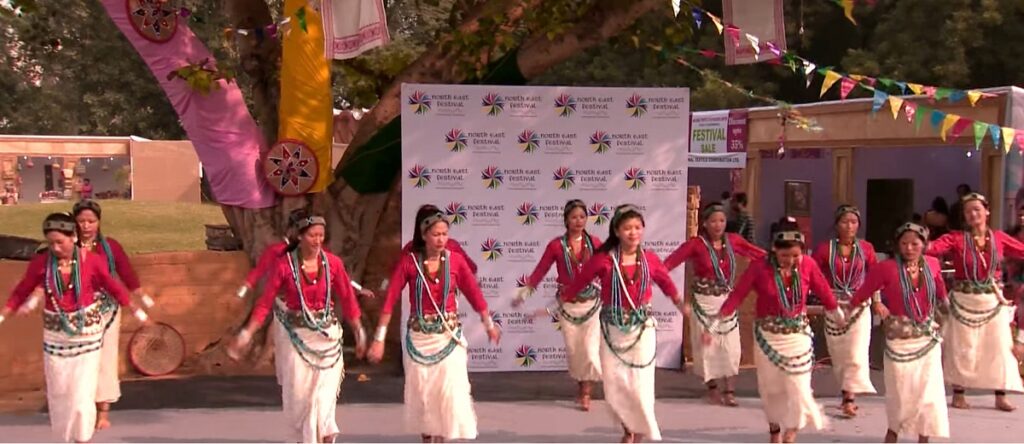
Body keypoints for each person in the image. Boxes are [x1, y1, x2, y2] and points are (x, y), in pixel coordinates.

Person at [1, 212, 148, 443]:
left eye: (60, 242)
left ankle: (82, 438)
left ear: (73, 238)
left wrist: (136, 309)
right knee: (60, 394)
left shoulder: (90, 261)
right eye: (51, 243)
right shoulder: (41, 263)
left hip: (87, 337)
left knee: (81, 396)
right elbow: (22, 290)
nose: (56, 248)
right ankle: (64, 438)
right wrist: (5, 314)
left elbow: (114, 286)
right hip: (56, 339)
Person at [229, 215, 367, 443]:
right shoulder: (284, 265)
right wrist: (246, 333)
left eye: (321, 236)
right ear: (300, 237)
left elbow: (348, 298)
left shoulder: (332, 263)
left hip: (327, 339)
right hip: (297, 340)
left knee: (323, 399)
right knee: (301, 397)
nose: (317, 240)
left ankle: (324, 435)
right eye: (312, 235)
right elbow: (265, 302)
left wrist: (360, 331)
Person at [367, 207, 499, 443]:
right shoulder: (410, 263)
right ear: (424, 234)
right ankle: (428, 437)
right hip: (420, 338)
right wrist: (379, 338)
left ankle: (442, 438)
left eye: (444, 234)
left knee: (448, 392)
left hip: (448, 337)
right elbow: (389, 301)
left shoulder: (456, 261)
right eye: (436, 234)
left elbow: (475, 295)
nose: (441, 240)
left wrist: (489, 324)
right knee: (424, 395)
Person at [562, 204, 685, 443]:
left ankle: (634, 431)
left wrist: (682, 306)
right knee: (616, 384)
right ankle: (627, 425)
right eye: (627, 228)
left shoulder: (649, 259)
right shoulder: (603, 260)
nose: (633, 232)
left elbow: (668, 285)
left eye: (637, 227)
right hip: (613, 330)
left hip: (641, 330)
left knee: (639, 384)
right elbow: (578, 283)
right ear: (617, 231)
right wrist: (560, 301)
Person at [711, 230, 843, 443]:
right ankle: (774, 429)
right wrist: (716, 321)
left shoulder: (808, 265)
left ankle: (792, 430)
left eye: (795, 256)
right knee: (771, 387)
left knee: (798, 384)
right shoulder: (759, 267)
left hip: (797, 335)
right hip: (768, 336)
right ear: (774, 251)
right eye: (785, 256)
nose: (790, 261)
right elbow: (737, 295)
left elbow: (824, 290)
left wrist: (836, 312)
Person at [852, 222, 949, 443]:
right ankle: (894, 430)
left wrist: (952, 315)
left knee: (928, 391)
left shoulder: (932, 264)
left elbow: (942, 293)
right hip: (899, 339)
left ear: (923, 244)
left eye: (915, 243)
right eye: (904, 243)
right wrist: (857, 306)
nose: (909, 248)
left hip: (927, 339)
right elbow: (864, 291)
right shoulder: (886, 267)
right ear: (897, 245)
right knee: (899, 389)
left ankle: (924, 436)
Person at [927, 192, 1024, 411]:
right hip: (964, 300)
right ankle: (959, 393)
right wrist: (920, 239)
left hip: (992, 300)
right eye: (968, 211)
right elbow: (933, 248)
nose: (973, 214)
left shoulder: (998, 237)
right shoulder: (956, 239)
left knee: (999, 346)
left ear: (987, 211)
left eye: (977, 209)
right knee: (963, 347)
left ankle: (1000, 395)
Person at [663, 203, 766, 406]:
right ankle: (712, 388)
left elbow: (758, 254)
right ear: (705, 223)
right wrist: (659, 284)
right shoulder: (696, 244)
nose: (718, 225)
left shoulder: (733, 240)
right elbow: (668, 264)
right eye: (713, 221)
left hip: (726, 302)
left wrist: (785, 258)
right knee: (707, 350)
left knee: (731, 348)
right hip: (703, 304)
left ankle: (730, 391)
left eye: (721, 220)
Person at [515, 199, 603, 411]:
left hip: (592, 304)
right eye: (574, 217)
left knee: (590, 351)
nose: (578, 221)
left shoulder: (596, 243)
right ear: (566, 220)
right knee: (575, 351)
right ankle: (580, 385)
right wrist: (524, 293)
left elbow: (606, 268)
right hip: (567, 306)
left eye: (582, 217)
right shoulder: (556, 245)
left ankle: (586, 393)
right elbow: (541, 270)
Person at [72, 199, 145, 430]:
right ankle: (82, 409)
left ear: (99, 222)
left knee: (105, 359)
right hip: (76, 312)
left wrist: (140, 297)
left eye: (91, 221)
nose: (86, 226)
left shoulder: (110, 247)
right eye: (82, 221)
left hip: (107, 311)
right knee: (79, 360)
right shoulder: (66, 247)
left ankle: (103, 411)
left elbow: (126, 273)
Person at [810, 205, 878, 417]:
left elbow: (875, 276)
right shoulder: (824, 249)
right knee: (839, 355)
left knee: (856, 352)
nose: (849, 226)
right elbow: (811, 274)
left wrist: (877, 302)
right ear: (837, 224)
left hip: (859, 307)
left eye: (854, 222)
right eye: (845, 222)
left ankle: (850, 398)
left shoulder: (866, 248)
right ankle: (845, 392)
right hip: (834, 305)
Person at [235, 209, 374, 302]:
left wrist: (359, 288)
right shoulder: (277, 251)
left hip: (314, 306)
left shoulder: (322, 253)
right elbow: (259, 271)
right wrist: (243, 290)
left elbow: (342, 275)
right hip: (286, 304)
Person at [400, 204, 477, 274]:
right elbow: (397, 279)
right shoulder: (409, 250)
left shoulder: (452, 246)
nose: (440, 240)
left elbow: (472, 269)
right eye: (435, 234)